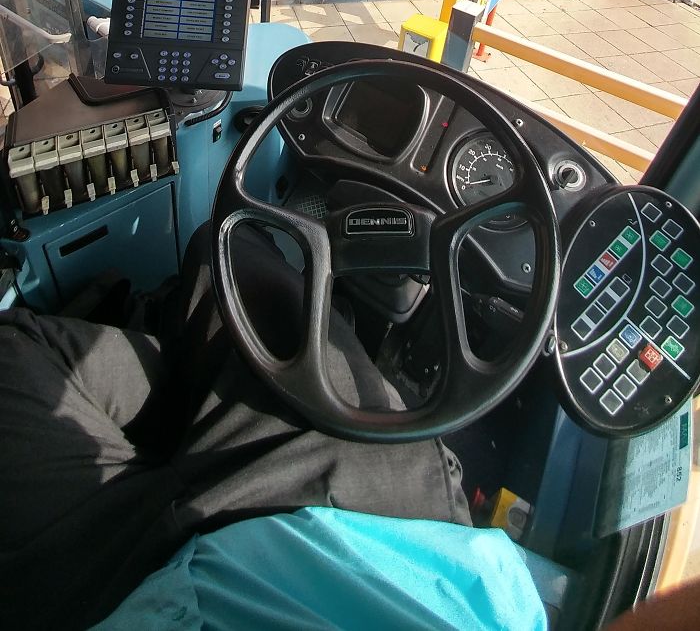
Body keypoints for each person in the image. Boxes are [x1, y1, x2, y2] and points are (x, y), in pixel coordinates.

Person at [0, 223, 546, 631]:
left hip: (156, 589)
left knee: (227, 246)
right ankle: (184, 420)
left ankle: (183, 396)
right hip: (398, 559)